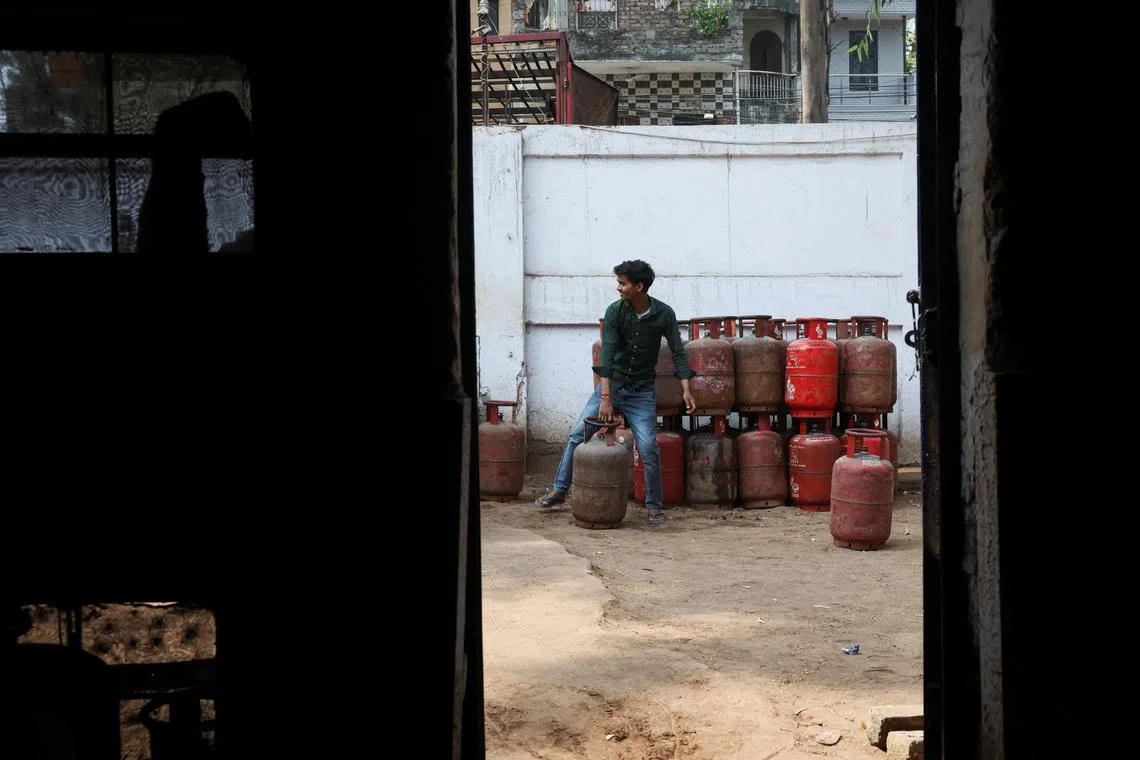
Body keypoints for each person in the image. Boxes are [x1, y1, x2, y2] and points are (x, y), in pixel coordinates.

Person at [536, 260, 696, 526]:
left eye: (623, 283)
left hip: (641, 391)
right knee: (578, 435)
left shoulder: (664, 314)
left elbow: (679, 353)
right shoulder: (615, 312)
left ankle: (654, 507)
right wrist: (606, 397)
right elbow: (607, 353)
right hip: (613, 386)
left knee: (648, 447)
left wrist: (686, 390)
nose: (618, 288)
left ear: (639, 286)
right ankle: (559, 490)